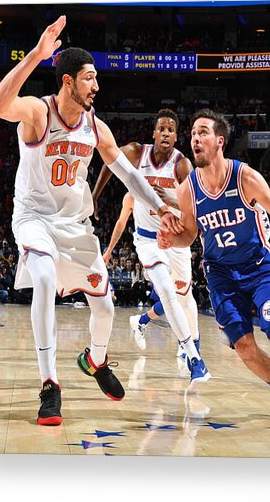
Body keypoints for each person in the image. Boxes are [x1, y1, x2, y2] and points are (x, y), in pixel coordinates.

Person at [0, 16, 184, 426]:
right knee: (42, 279)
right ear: (67, 82)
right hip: (35, 219)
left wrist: (160, 205)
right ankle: (49, 385)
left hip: (77, 228)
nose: (96, 86)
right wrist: (36, 57)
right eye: (89, 78)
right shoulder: (38, 113)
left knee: (107, 308)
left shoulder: (96, 127)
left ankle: (94, 360)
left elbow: (129, 175)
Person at [158, 108, 270, 423]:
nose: (195, 139)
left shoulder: (245, 177)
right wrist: (169, 240)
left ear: (219, 141)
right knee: (244, 348)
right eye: (192, 134)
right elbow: (189, 233)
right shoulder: (188, 187)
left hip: (259, 270)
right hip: (221, 275)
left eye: (203, 133)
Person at [92, 109, 207, 374]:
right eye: (162, 129)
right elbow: (110, 161)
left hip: (176, 239)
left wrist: (166, 200)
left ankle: (184, 340)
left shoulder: (181, 165)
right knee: (167, 291)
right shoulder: (135, 152)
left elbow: (194, 205)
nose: (166, 133)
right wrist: (96, 194)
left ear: (176, 137)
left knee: (184, 296)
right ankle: (192, 353)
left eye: (171, 130)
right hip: (147, 239)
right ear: (154, 133)